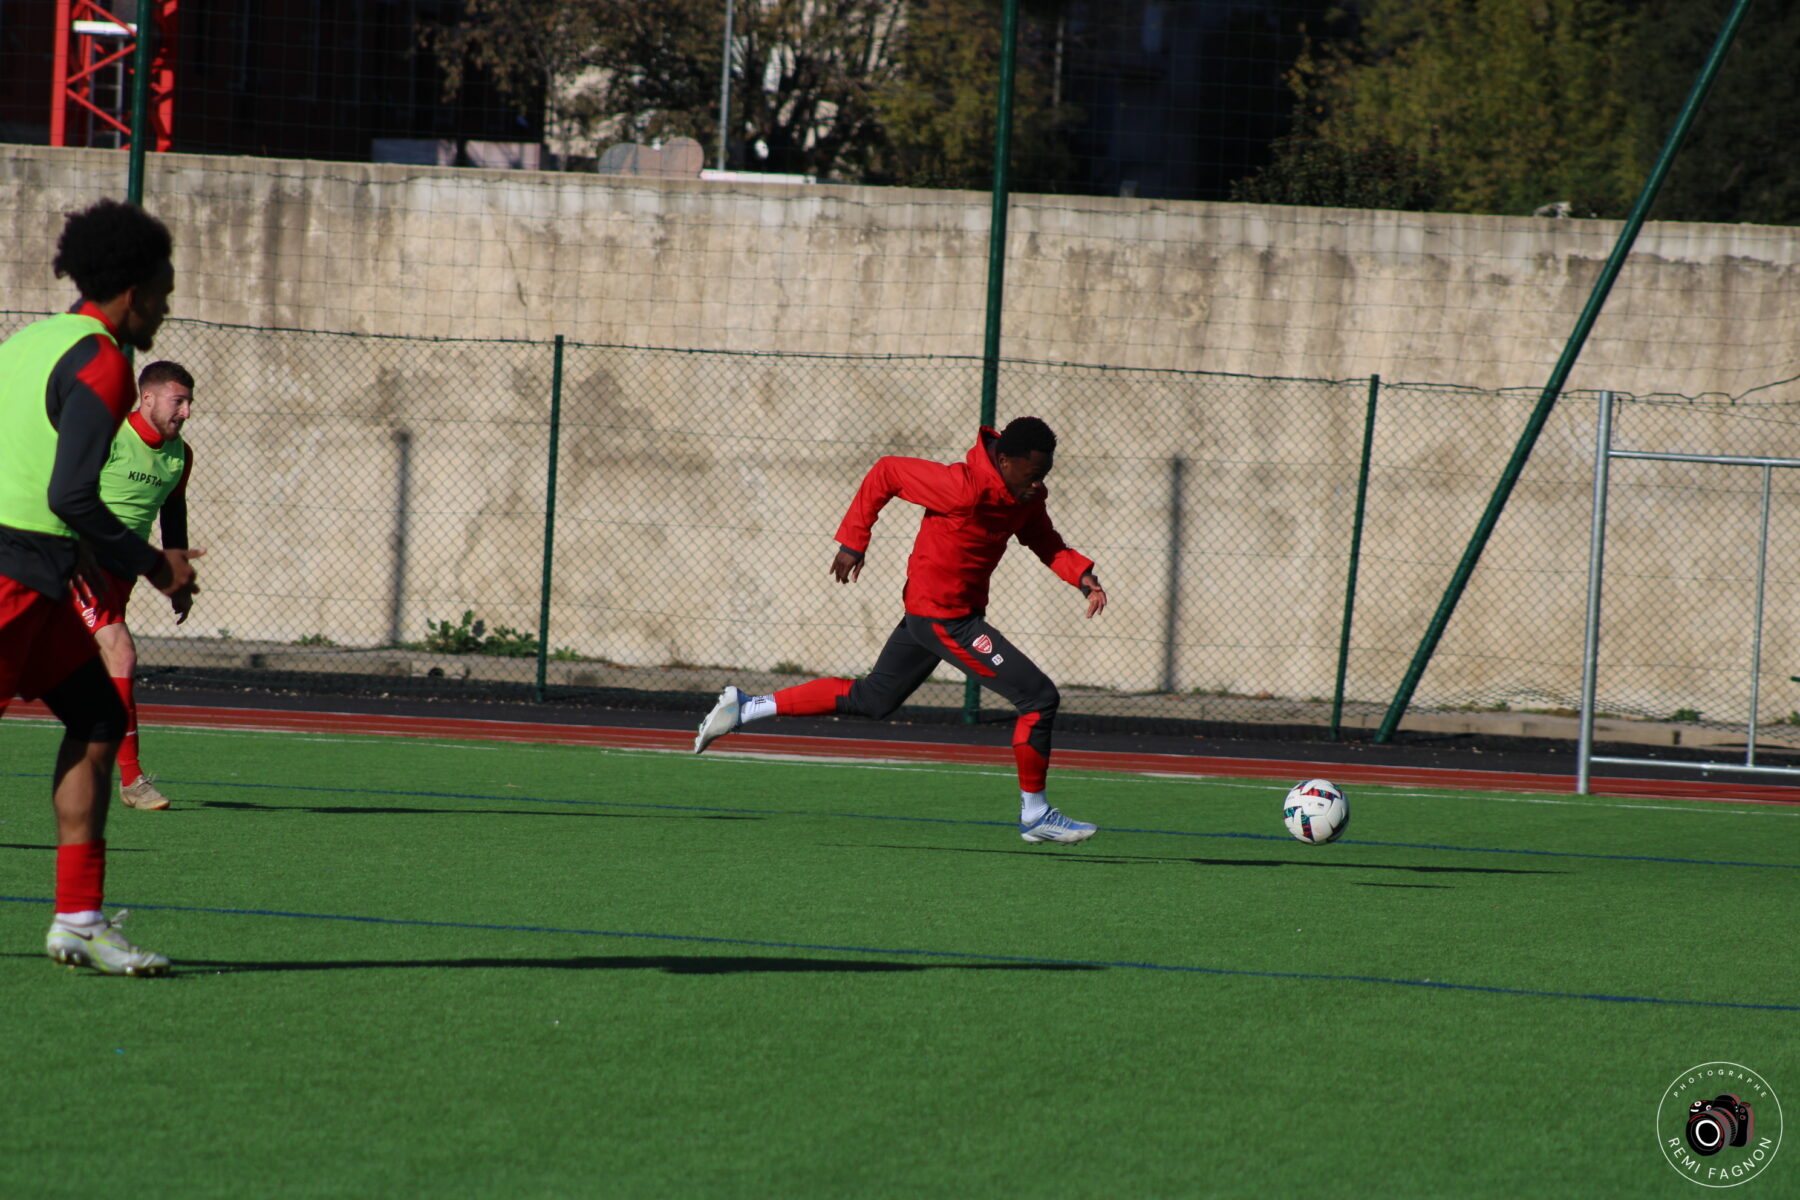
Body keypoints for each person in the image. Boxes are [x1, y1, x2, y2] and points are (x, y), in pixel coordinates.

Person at [694, 416, 1109, 844]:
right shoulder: (961, 486)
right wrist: (854, 541)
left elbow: (1045, 541)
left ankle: (744, 707)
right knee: (1038, 698)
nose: (1039, 484)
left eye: (1045, 475)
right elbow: (887, 471)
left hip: (934, 615)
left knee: (874, 699)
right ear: (1004, 461)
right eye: (1033, 473)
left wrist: (1081, 576)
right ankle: (1035, 813)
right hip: (946, 620)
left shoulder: (1025, 496)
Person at [0, 199, 202, 976]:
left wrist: (76, 550)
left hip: (39, 572)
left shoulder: (34, 339)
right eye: (163, 290)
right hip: (12, 578)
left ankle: (79, 920)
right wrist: (158, 565)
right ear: (132, 293)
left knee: (95, 718)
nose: (166, 305)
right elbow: (73, 494)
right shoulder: (104, 358)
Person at [70, 360, 197, 811]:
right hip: (80, 564)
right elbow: (66, 492)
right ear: (147, 398)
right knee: (120, 652)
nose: (185, 412)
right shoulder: (107, 438)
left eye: (189, 403)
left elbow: (173, 517)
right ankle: (133, 780)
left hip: (122, 574)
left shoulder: (180, 456)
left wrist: (177, 579)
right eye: (177, 401)